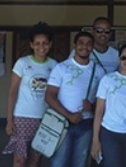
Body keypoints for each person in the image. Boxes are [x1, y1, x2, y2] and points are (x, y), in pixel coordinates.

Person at [45, 32, 106, 167]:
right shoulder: (61, 68)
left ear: (93, 47)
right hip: (62, 123)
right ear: (75, 45)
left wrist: (92, 106)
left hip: (87, 124)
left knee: (80, 163)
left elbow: (104, 100)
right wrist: (69, 115)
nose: (85, 46)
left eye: (89, 44)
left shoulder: (99, 71)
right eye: (81, 43)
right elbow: (49, 96)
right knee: (59, 163)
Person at [3, 22, 58, 167]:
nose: (42, 47)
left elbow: (57, 94)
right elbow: (12, 92)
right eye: (38, 43)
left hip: (45, 118)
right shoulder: (22, 63)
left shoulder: (54, 65)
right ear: (31, 45)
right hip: (22, 117)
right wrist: (10, 120)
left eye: (45, 43)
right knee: (20, 160)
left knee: (36, 160)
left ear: (50, 44)